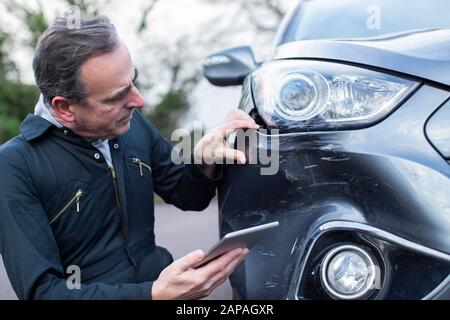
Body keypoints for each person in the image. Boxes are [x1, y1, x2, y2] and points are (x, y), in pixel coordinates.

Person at [0, 16, 259, 300]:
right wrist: (153, 295)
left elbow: (190, 196)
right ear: (65, 109)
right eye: (117, 96)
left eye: (133, 81)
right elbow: (42, 293)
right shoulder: (14, 167)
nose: (138, 100)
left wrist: (204, 159)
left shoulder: (132, 124)